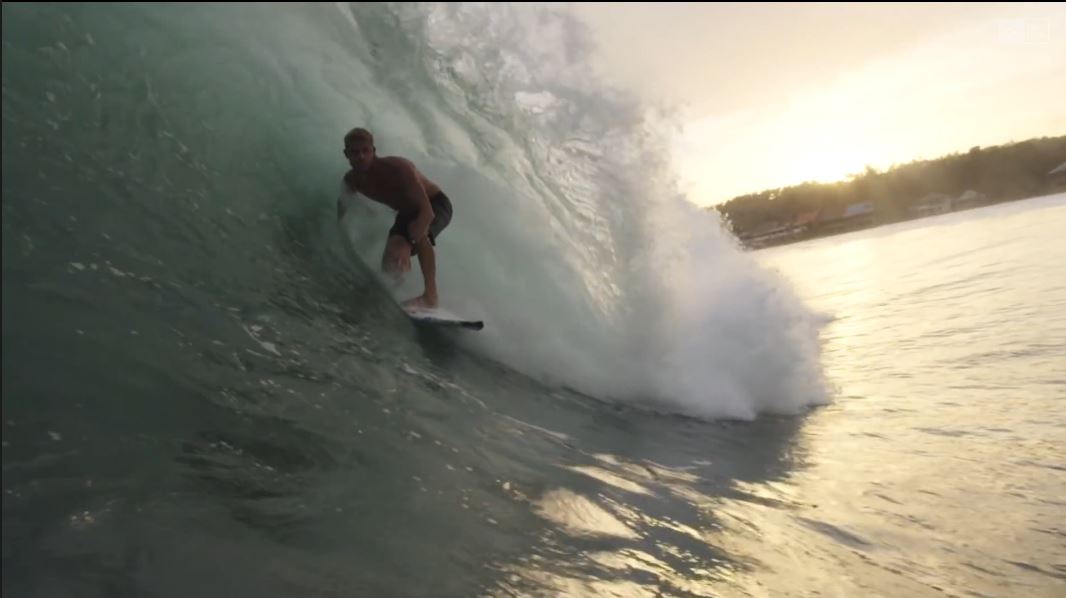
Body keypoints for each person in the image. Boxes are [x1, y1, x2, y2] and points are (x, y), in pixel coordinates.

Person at [337, 127, 453, 310]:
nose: (361, 156)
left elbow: (427, 212)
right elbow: (342, 209)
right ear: (346, 154)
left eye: (365, 151)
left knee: (420, 234)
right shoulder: (352, 181)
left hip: (435, 204)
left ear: (373, 151)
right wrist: (339, 231)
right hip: (406, 214)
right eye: (355, 152)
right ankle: (397, 294)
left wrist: (414, 237)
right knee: (392, 261)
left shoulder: (398, 168)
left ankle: (430, 296)